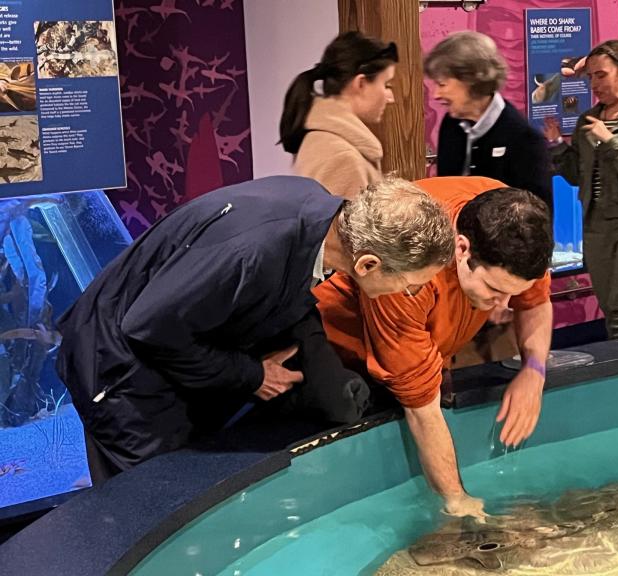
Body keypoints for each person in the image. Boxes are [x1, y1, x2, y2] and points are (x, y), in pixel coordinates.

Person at [56, 176, 455, 483]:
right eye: (411, 283)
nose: (412, 292)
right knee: (152, 510)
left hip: (159, 353)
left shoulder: (319, 212)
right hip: (115, 368)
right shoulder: (252, 253)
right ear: (368, 264)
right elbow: (148, 327)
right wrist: (251, 374)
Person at [314, 176, 553, 517]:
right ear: (461, 248)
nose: (503, 304)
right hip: (340, 350)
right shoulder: (405, 275)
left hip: (433, 345)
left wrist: (534, 370)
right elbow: (421, 407)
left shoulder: (514, 227)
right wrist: (457, 501)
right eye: (493, 289)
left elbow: (535, 301)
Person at [543, 40, 618, 340]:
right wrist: (558, 145)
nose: (593, 84)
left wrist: (610, 142)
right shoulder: (589, 120)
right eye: (590, 77)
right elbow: (576, 176)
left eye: (600, 75)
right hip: (596, 224)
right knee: (611, 307)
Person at [424, 31, 552, 210]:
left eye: (442, 84)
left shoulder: (525, 140)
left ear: (471, 79)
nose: (436, 95)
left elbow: (537, 222)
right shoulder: (450, 125)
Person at [280, 31, 397, 199]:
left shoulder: (325, 141)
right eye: (386, 84)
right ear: (361, 83)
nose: (390, 97)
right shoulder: (342, 159)